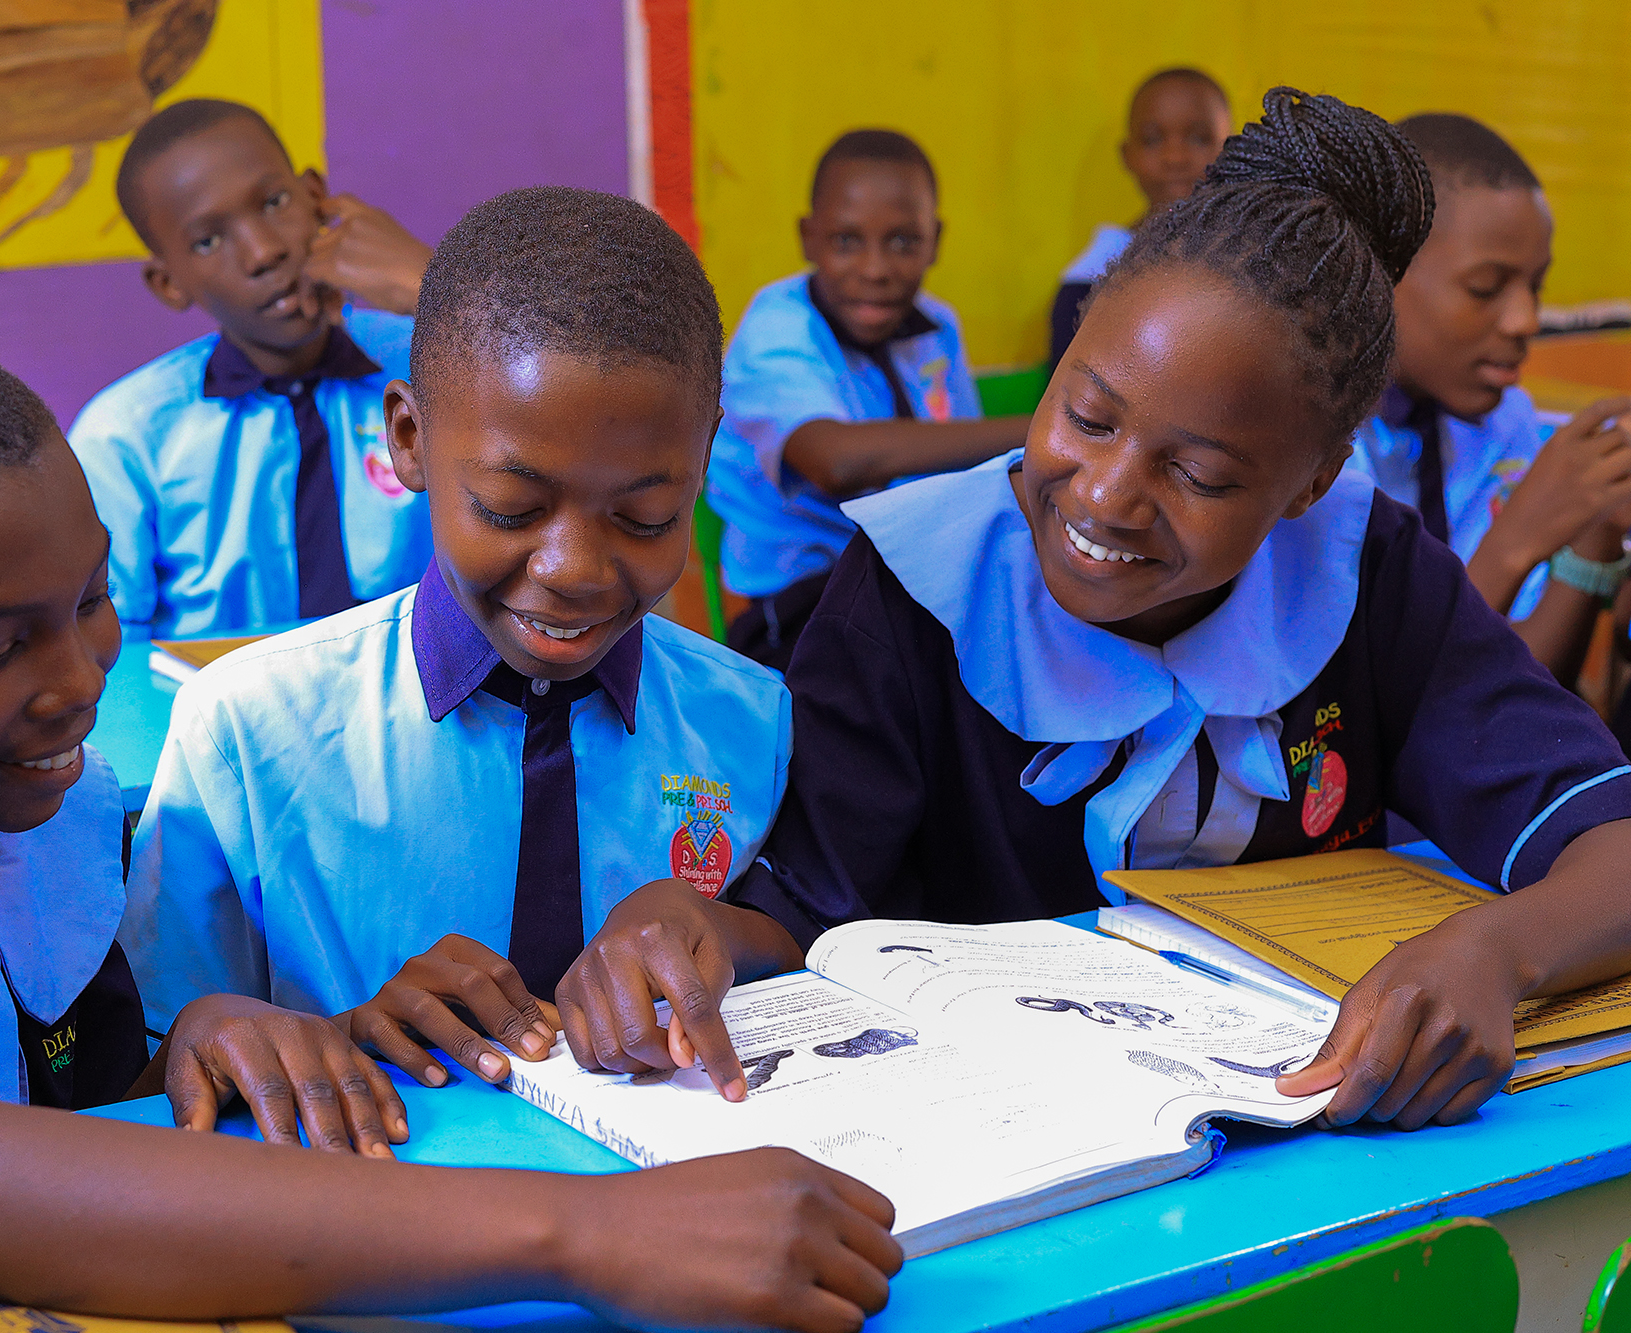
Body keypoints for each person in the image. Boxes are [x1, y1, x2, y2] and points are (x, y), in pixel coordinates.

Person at [0, 316, 900, 1331]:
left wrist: (246, 1038)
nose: (78, 682)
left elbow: (86, 1113)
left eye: (90, 600)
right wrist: (594, 1234)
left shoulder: (34, 808)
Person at [556, 90, 1631, 1138]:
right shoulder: (913, 586)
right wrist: (680, 919)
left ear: (1307, 484)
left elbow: (1605, 844)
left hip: (1316, 1146)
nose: (1107, 493)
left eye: (1199, 474)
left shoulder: (1362, 563)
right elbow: (798, 911)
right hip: (1014, 1165)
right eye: (1085, 413)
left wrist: (1495, 952)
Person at [123, 185, 801, 1105]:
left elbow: (797, 967)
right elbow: (152, 1064)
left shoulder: (747, 717)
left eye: (644, 516)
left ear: (703, 460)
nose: (574, 569)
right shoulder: (248, 730)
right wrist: (341, 1035)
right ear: (407, 438)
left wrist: (718, 932)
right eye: (511, 509)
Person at [70, 99, 436, 639]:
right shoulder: (126, 436)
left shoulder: (441, 358)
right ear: (169, 282)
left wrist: (431, 284)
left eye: (274, 202)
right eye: (208, 240)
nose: (263, 252)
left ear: (316, 199)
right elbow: (109, 654)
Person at [705, 129, 1030, 670]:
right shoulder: (778, 327)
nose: (876, 269)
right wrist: (1045, 427)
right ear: (809, 239)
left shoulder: (935, 327)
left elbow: (965, 470)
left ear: (936, 239)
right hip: (798, 603)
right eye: (847, 241)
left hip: (911, 581)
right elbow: (837, 460)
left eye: (903, 241)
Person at [1350, 112, 1631, 686]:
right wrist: (1515, 542)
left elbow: (1510, 695)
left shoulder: (1507, 424)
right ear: (1379, 270)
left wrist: (1595, 534)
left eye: (1536, 285)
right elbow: (1376, 711)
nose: (1526, 319)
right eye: (1486, 286)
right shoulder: (1307, 453)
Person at [1049, 68, 1231, 367]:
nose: (1175, 157)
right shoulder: (1088, 281)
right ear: (1126, 155)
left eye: (1199, 139)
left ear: (1232, 149)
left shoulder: (1256, 260)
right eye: (1152, 140)